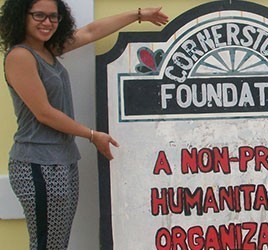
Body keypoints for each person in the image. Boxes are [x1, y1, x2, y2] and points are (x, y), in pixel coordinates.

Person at [0, 0, 169, 249]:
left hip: (62, 159)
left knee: (56, 242)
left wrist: (139, 14)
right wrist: (91, 134)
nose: (46, 23)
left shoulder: (47, 49)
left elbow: (90, 32)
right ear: (21, 16)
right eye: (38, 16)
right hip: (37, 162)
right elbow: (44, 113)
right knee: (47, 243)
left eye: (53, 17)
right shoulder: (20, 56)